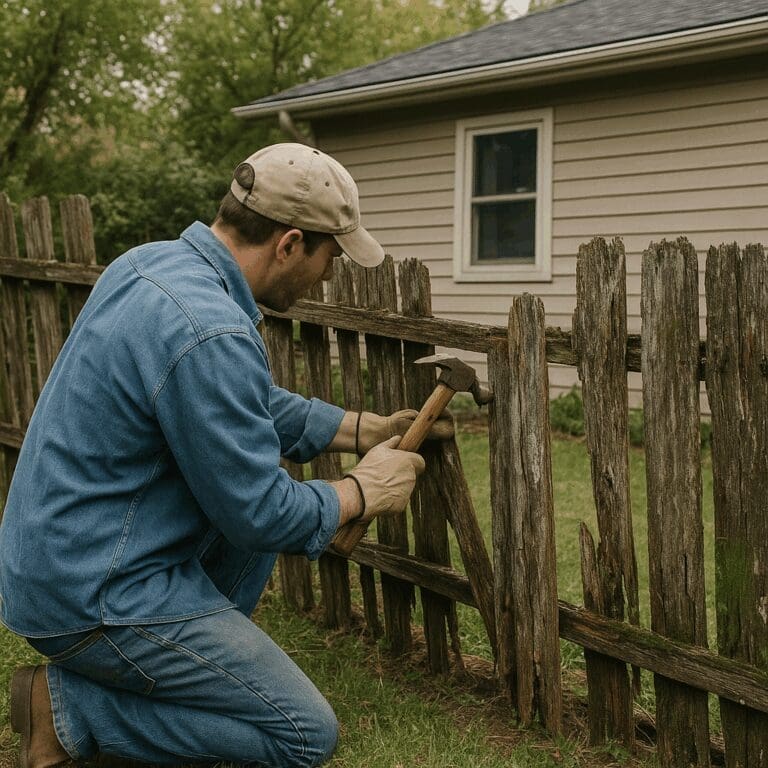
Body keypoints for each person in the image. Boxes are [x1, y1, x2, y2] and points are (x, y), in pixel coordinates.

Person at [1, 143, 452, 768]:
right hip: (93, 590)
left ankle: (180, 671)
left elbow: (236, 404)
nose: (329, 276)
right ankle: (69, 708)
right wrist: (360, 491)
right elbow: (260, 512)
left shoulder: (150, 266)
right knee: (302, 736)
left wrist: (358, 429)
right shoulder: (206, 326)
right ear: (290, 243)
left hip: (59, 557)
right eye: (329, 257)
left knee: (244, 534)